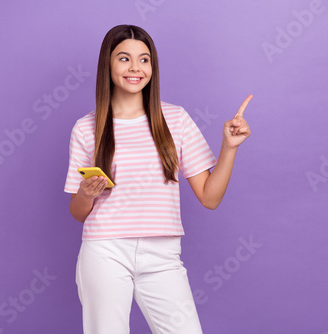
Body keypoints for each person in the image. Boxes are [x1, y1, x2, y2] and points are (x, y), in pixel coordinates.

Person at [64, 24, 252, 334]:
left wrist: (229, 149)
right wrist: (86, 193)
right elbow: (76, 212)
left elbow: (210, 198)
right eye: (124, 58)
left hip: (163, 254)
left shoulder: (175, 119)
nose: (135, 68)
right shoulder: (86, 128)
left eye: (144, 59)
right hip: (105, 250)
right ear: (107, 65)